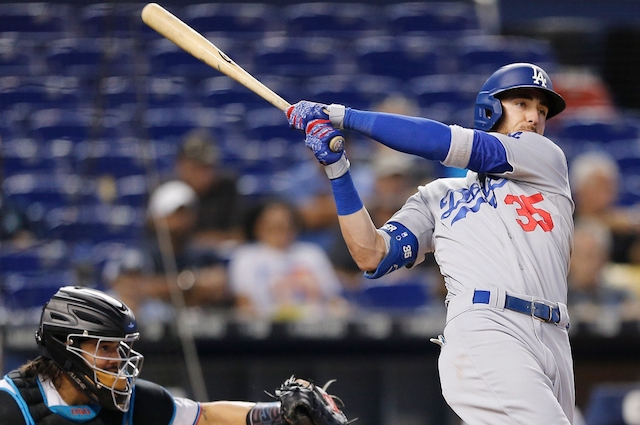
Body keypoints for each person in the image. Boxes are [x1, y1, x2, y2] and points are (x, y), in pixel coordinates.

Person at [286, 63, 576, 424]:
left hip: (555, 336)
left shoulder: (545, 159)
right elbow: (371, 254)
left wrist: (342, 116)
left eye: (542, 111)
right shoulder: (437, 197)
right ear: (490, 109)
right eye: (521, 103)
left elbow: (441, 142)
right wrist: (338, 170)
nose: (534, 117)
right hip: (488, 327)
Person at [0, 285, 348, 425]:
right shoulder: (11, 406)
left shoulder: (133, 401)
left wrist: (280, 413)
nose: (118, 359)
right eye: (105, 347)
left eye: (121, 347)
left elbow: (206, 417)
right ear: (66, 348)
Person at [107, 180, 231, 319]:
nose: (181, 220)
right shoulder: (141, 253)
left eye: (186, 213)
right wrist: (189, 283)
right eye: (174, 213)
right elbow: (134, 289)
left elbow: (217, 285)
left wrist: (162, 289)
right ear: (156, 218)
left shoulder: (202, 252)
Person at [228, 199, 348, 321]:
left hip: (314, 328)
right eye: (273, 226)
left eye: (286, 225)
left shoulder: (311, 253)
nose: (281, 231)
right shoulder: (246, 256)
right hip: (267, 328)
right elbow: (244, 304)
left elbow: (334, 298)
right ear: (258, 227)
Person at [174, 128, 248, 255]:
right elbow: (162, 241)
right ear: (181, 165)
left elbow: (238, 236)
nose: (203, 174)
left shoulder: (227, 188)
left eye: (208, 167)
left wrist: (193, 241)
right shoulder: (167, 190)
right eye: (196, 167)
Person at [570, 151, 640, 265]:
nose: (607, 195)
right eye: (598, 187)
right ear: (579, 190)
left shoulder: (622, 229)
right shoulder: (565, 222)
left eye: (610, 188)